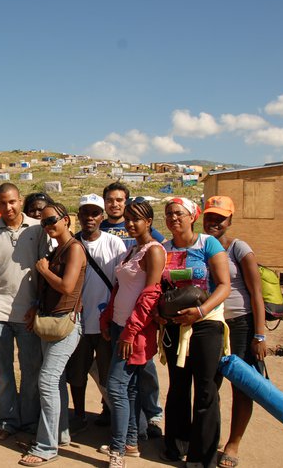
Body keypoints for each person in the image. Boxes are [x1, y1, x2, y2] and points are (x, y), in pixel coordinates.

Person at [160, 197, 231, 468]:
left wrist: (200, 312)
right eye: (169, 213)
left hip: (206, 323)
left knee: (205, 389)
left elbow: (224, 285)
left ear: (192, 216)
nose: (173, 218)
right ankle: (176, 445)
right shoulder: (163, 248)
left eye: (179, 213)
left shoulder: (207, 244)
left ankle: (202, 457)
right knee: (178, 387)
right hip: (175, 326)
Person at [0, 183, 47, 441]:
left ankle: (29, 421)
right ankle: (6, 420)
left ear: (20, 200)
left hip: (29, 313)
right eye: (3, 203)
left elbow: (45, 270)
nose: (8, 207)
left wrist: (37, 304)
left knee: (31, 370)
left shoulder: (38, 229)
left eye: (13, 201)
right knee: (2, 371)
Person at [99, 199, 166, 468]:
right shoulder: (132, 250)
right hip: (119, 325)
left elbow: (151, 295)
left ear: (148, 221)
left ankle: (117, 451)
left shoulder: (154, 251)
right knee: (129, 388)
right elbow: (120, 288)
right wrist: (107, 318)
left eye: (136, 219)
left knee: (115, 387)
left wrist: (130, 331)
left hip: (134, 331)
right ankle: (130, 442)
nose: (129, 223)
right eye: (127, 219)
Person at [202, 196, 267, 468]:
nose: (214, 222)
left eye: (220, 218)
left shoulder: (239, 249)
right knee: (209, 386)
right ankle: (210, 437)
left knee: (241, 386)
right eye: (210, 216)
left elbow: (256, 294)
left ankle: (233, 443)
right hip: (210, 325)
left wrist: (259, 335)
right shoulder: (200, 246)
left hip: (240, 324)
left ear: (230, 220)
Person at [19, 202, 86, 466]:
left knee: (46, 381)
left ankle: (46, 447)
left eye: (51, 220)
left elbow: (68, 286)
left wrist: (45, 271)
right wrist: (36, 306)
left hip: (66, 323)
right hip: (51, 321)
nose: (47, 226)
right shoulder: (58, 249)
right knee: (55, 382)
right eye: (43, 223)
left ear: (66, 220)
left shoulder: (75, 248)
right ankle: (60, 434)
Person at [66, 194, 126, 432]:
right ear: (79, 215)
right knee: (77, 373)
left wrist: (112, 315)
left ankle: (111, 415)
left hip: (105, 323)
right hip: (78, 322)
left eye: (95, 213)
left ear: (102, 216)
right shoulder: (72, 243)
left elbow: (121, 282)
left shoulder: (114, 244)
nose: (89, 218)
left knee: (107, 373)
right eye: (85, 213)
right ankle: (79, 415)